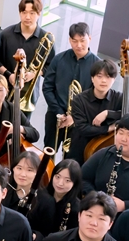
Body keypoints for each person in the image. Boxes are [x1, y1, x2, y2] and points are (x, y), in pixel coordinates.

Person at [42, 22, 100, 152]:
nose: (78, 45)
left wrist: (74, 116)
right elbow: (47, 87)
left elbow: (95, 97)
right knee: (48, 152)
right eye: (74, 41)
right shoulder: (59, 59)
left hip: (80, 121)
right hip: (55, 115)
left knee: (71, 156)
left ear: (90, 38)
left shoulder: (98, 65)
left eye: (82, 40)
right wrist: (59, 112)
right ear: (69, 40)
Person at [67, 60, 129, 164]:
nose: (103, 81)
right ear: (92, 78)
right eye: (99, 76)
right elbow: (83, 128)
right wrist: (108, 128)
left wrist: (108, 113)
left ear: (114, 79)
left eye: (108, 77)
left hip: (107, 149)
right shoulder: (79, 100)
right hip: (80, 147)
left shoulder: (119, 97)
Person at [0, 0, 54, 116]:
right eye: (24, 12)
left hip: (29, 94)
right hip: (4, 89)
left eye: (32, 13)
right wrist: (9, 75)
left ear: (39, 14)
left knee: (22, 126)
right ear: (20, 13)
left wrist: (35, 73)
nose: (27, 17)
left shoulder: (46, 38)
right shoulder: (6, 34)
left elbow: (52, 66)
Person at [27, 159, 82, 240]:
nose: (60, 183)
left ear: (75, 183)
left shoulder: (76, 208)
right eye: (57, 177)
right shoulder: (39, 195)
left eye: (67, 180)